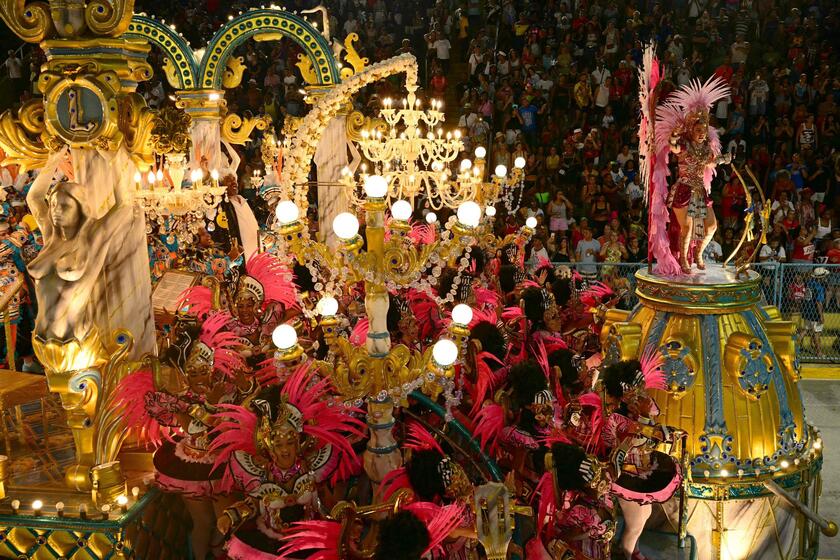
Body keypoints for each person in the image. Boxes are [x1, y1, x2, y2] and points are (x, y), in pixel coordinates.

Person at [220, 174, 259, 261]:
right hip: (243, 253)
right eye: (229, 180)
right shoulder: (224, 206)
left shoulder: (242, 200)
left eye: (234, 179)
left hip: (256, 247)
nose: (234, 182)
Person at [801, 268, 827, 356]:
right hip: (815, 313)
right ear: (821, 277)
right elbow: (819, 302)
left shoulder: (809, 283)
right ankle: (819, 352)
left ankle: (796, 345)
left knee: (806, 330)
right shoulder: (819, 287)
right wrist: (821, 316)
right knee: (817, 333)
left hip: (807, 311)